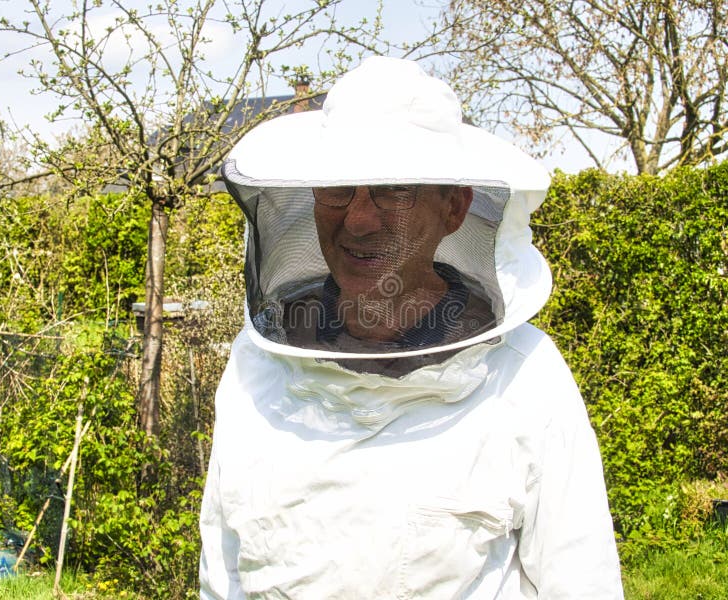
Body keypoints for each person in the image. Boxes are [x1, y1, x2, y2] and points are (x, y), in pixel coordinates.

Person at [199, 56, 624, 599]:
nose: (357, 219)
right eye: (338, 190)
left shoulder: (525, 378)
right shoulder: (255, 363)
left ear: (455, 207)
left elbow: (581, 581)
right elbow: (222, 569)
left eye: (393, 190)